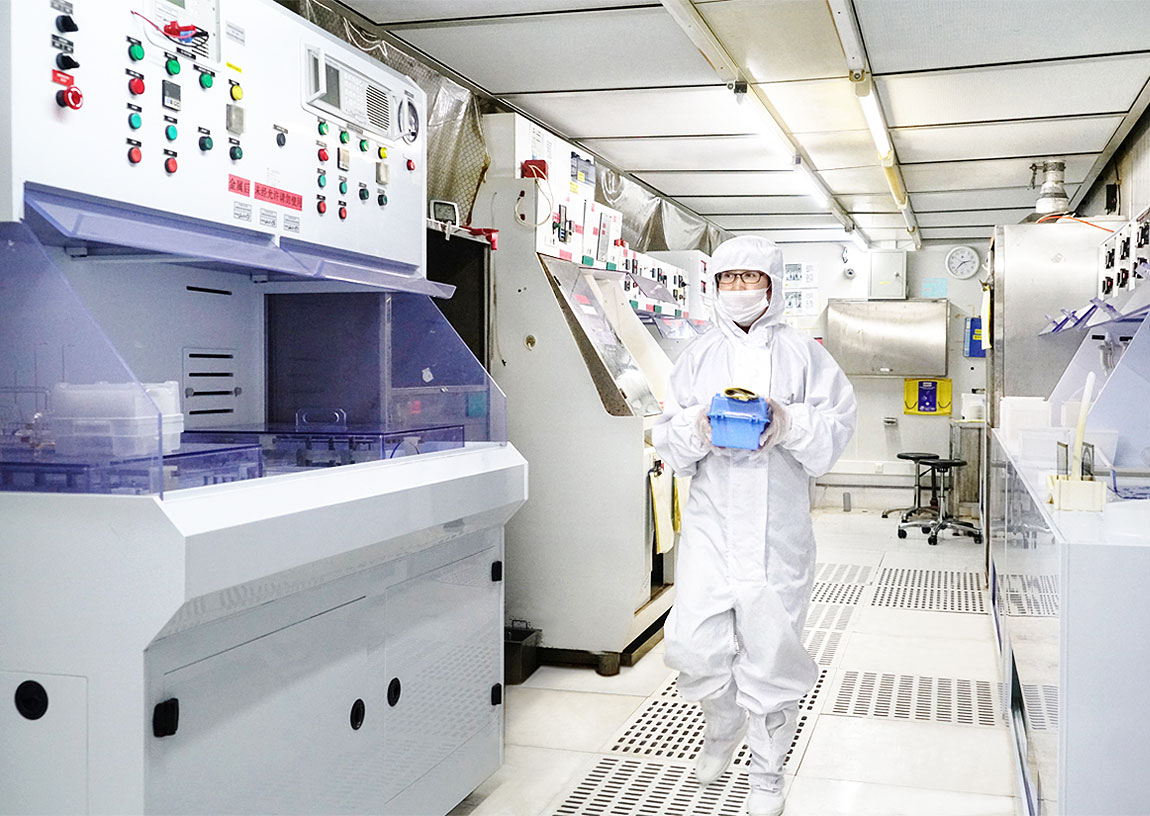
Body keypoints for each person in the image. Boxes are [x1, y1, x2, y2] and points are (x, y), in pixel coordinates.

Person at [652, 235, 856, 816]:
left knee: (771, 653)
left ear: (773, 285)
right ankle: (723, 723)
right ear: (714, 285)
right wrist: (697, 427)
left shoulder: (805, 355)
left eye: (751, 278)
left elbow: (837, 428)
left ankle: (767, 772)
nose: (738, 289)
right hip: (712, 524)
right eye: (728, 279)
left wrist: (789, 422)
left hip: (776, 528)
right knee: (691, 645)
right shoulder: (697, 355)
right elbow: (668, 435)